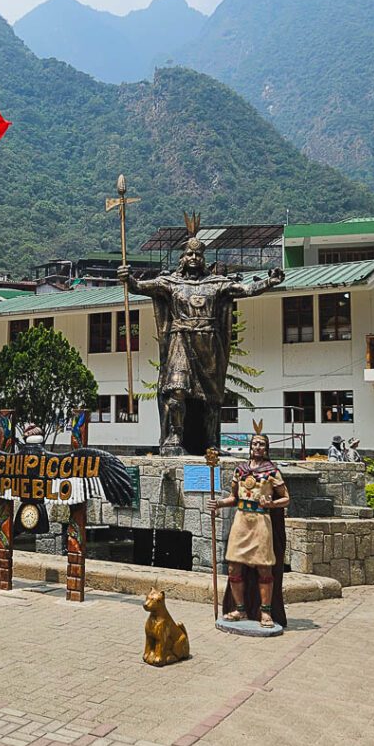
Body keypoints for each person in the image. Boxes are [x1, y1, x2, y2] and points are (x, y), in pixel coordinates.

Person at [119, 212, 284, 453]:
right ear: (182, 258)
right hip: (180, 341)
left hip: (208, 344)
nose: (194, 257)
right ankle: (174, 438)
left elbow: (246, 289)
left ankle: (210, 443)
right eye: (189, 254)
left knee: (211, 398)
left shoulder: (217, 283)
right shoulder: (170, 282)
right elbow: (139, 287)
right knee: (176, 389)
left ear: (203, 258)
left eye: (198, 254)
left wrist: (268, 282)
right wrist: (128, 278)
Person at [208, 428, 289, 628]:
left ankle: (266, 613)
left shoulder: (272, 471)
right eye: (254, 444)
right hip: (241, 520)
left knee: (264, 567)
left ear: (266, 448)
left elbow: (286, 499)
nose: (257, 447)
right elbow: (234, 498)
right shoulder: (240, 470)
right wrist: (218, 503)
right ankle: (240, 609)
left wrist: (271, 504)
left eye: (261, 444)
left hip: (261, 521)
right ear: (250, 447)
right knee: (234, 565)